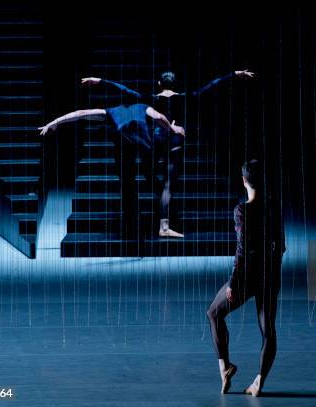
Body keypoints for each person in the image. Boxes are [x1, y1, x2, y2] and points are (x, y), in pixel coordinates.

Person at [79, 69, 255, 238]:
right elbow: (211, 86)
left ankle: (156, 208)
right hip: (175, 140)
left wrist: (100, 81)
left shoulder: (149, 98)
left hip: (156, 140)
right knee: (168, 185)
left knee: (153, 176)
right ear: (175, 84)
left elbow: (124, 89)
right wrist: (235, 74)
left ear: (159, 83)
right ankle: (164, 225)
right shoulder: (186, 97)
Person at [38, 102, 186, 240]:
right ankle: (151, 223)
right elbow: (159, 117)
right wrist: (172, 128)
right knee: (144, 176)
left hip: (128, 146)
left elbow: (81, 113)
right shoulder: (141, 108)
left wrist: (55, 122)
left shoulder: (111, 112)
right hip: (138, 146)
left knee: (130, 182)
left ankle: (135, 225)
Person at [206, 159, 285, 396]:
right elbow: (280, 246)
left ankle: (225, 367)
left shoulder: (241, 210)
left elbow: (242, 249)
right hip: (269, 275)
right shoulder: (273, 207)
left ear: (243, 181)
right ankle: (259, 381)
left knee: (213, 313)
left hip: (246, 276)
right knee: (267, 330)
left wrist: (233, 282)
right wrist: (273, 275)